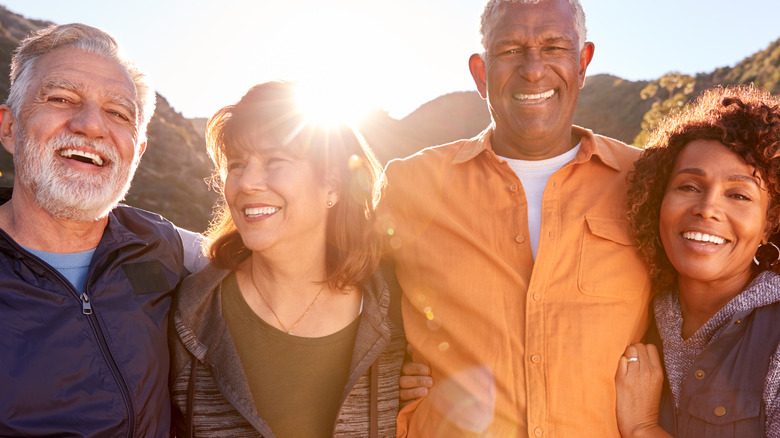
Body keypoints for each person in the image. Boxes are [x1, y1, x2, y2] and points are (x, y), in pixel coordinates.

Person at [379, 0, 651, 436]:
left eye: (554, 47)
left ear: (582, 63)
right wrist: (383, 369)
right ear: (481, 72)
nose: (533, 69)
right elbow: (340, 288)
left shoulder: (646, 181)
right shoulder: (410, 184)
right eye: (510, 50)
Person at [169, 81, 406, 437]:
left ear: (332, 186)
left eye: (275, 160)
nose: (247, 182)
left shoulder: (396, 307)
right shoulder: (189, 315)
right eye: (236, 164)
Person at [0, 24, 204, 436]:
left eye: (118, 113)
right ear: (9, 127)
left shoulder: (159, 243)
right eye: (60, 98)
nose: (91, 125)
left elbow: (262, 258)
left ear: (137, 149)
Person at [615, 85, 780, 437]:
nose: (706, 209)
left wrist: (643, 428)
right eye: (689, 186)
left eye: (738, 195)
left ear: (770, 224)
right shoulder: (634, 315)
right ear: (658, 200)